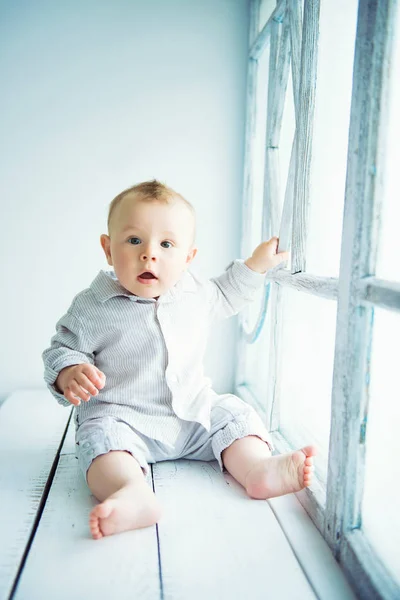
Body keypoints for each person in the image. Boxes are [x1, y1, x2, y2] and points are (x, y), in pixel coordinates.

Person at [42, 179, 316, 540]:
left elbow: (228, 292)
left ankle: (256, 470)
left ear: (188, 258)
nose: (149, 254)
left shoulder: (195, 292)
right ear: (108, 249)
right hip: (122, 418)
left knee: (233, 415)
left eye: (166, 244)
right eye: (134, 240)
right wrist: (69, 371)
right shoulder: (92, 305)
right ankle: (132, 492)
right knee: (100, 444)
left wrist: (256, 264)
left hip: (192, 415)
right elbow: (61, 349)